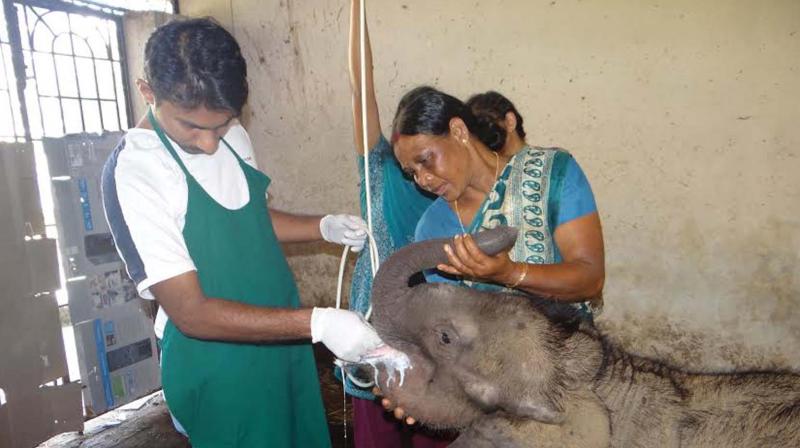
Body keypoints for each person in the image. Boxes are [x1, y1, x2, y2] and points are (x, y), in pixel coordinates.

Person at [101, 18, 386, 448]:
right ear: (147, 92)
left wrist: (322, 226)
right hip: (220, 368)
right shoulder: (136, 170)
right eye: (191, 127)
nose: (210, 142)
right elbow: (191, 312)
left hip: (283, 340)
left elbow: (250, 219)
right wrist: (319, 322)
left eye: (221, 124)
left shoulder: (232, 135)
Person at [344, 2, 460, 447]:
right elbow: (361, 87)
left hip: (432, 336)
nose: (420, 171)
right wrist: (357, 9)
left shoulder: (454, 191)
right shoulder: (379, 169)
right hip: (377, 327)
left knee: (438, 428)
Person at [394, 86, 605, 315]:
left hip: (569, 346)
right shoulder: (433, 228)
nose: (422, 179)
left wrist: (509, 274)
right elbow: (453, 325)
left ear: (458, 131)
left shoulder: (551, 174)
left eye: (425, 160)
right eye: (411, 172)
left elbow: (591, 281)